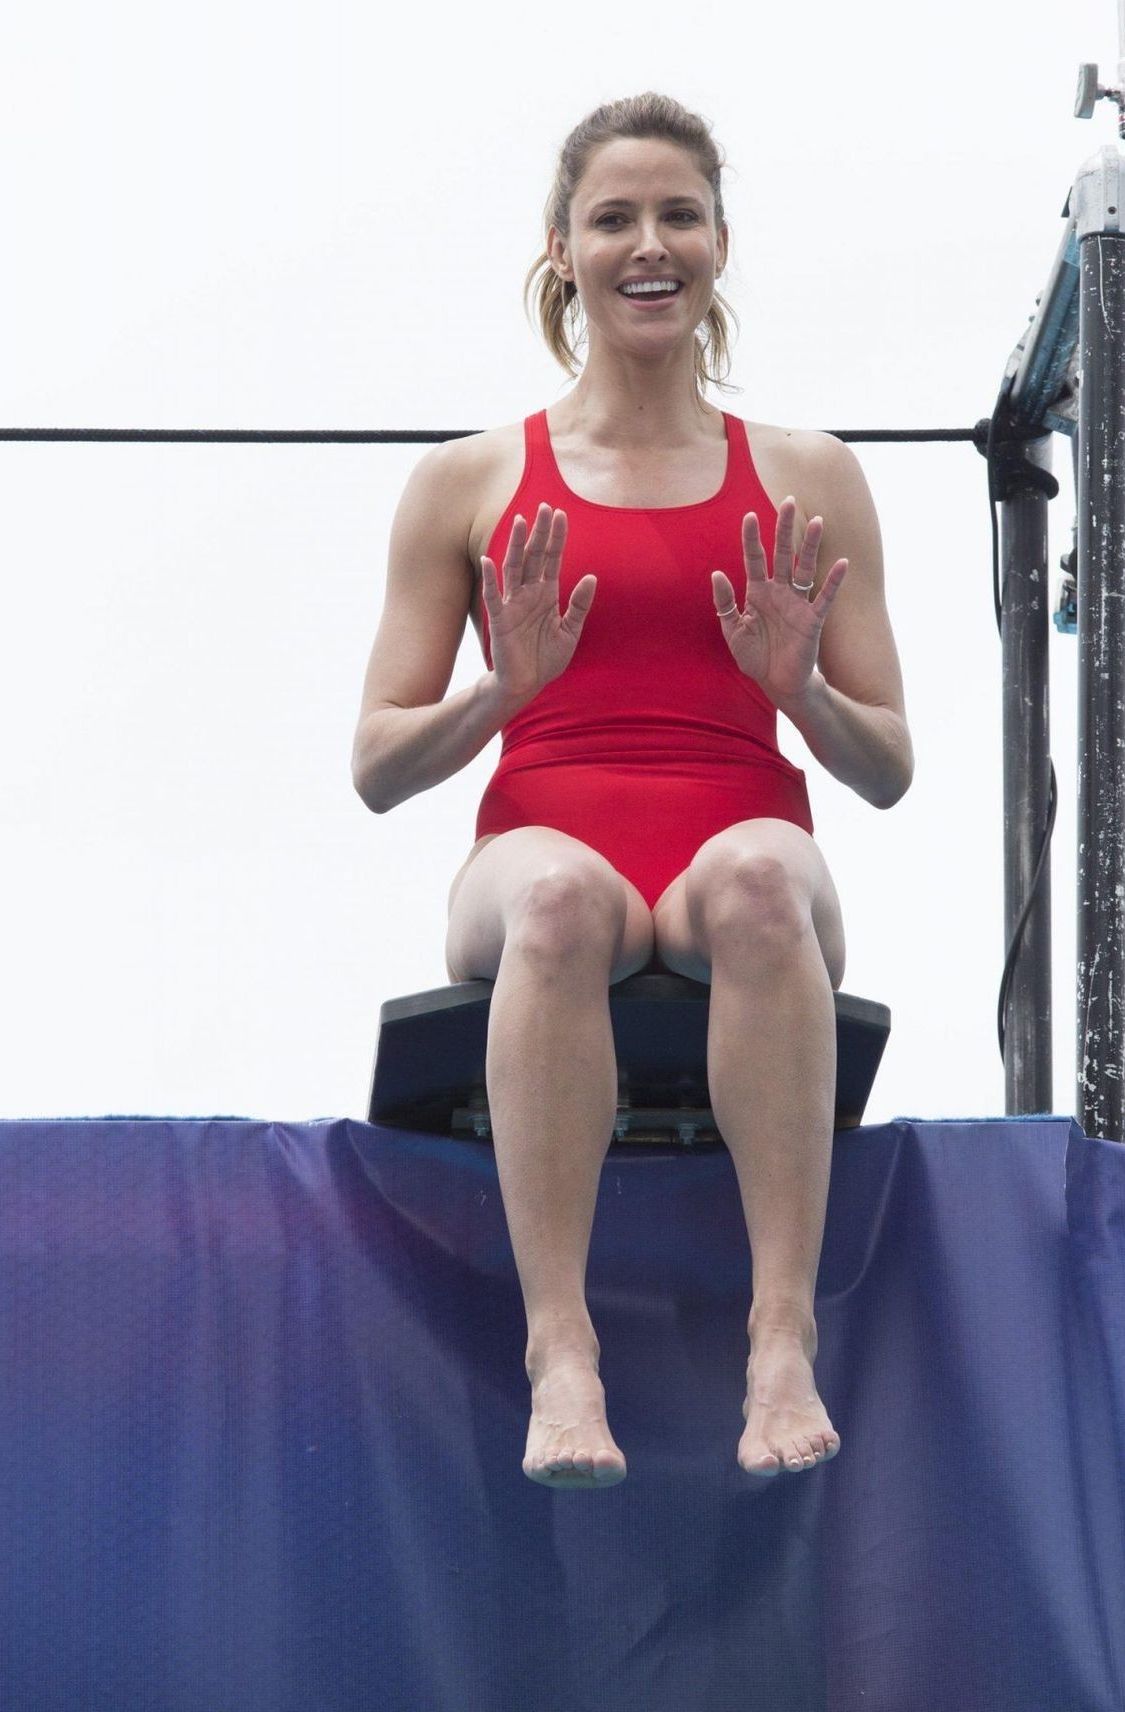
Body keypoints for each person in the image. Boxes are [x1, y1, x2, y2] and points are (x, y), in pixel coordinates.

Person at [352, 92, 913, 1490]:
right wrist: (499, 691)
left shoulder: (809, 475)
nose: (648, 244)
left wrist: (798, 691)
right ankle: (563, 1354)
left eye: (678, 215)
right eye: (614, 219)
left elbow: (887, 767)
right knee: (555, 903)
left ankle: (777, 1340)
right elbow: (376, 765)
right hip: (542, 826)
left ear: (720, 240)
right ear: (563, 249)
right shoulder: (470, 480)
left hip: (738, 816)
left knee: (761, 885)